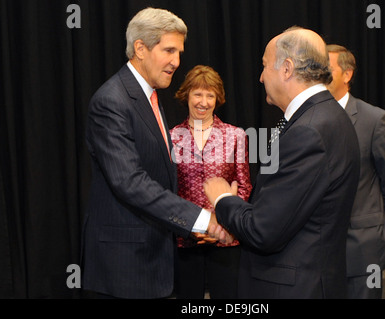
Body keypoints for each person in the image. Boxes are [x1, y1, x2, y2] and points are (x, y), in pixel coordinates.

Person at [81, 7, 230, 299]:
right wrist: (202, 219)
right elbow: (129, 182)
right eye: (169, 51)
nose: (176, 62)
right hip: (122, 268)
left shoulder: (151, 97)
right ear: (140, 48)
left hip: (153, 259)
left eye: (179, 53)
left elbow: (160, 175)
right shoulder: (111, 101)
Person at [203, 27, 360, 299]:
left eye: (264, 66)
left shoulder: (308, 130)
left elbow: (264, 231)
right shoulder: (326, 115)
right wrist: (236, 222)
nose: (261, 76)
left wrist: (222, 201)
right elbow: (284, 211)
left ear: (286, 69)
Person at [326, 44, 385, 299]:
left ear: (347, 74)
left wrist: (369, 216)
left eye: (326, 69)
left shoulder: (375, 120)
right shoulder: (305, 117)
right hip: (318, 249)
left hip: (362, 248)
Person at [170, 65, 252, 299]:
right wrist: (187, 225)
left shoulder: (235, 135)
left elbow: (244, 186)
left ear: (218, 99)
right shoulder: (171, 137)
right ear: (186, 95)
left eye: (210, 95)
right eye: (197, 94)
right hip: (186, 239)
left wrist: (223, 224)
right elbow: (166, 190)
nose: (203, 102)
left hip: (225, 238)